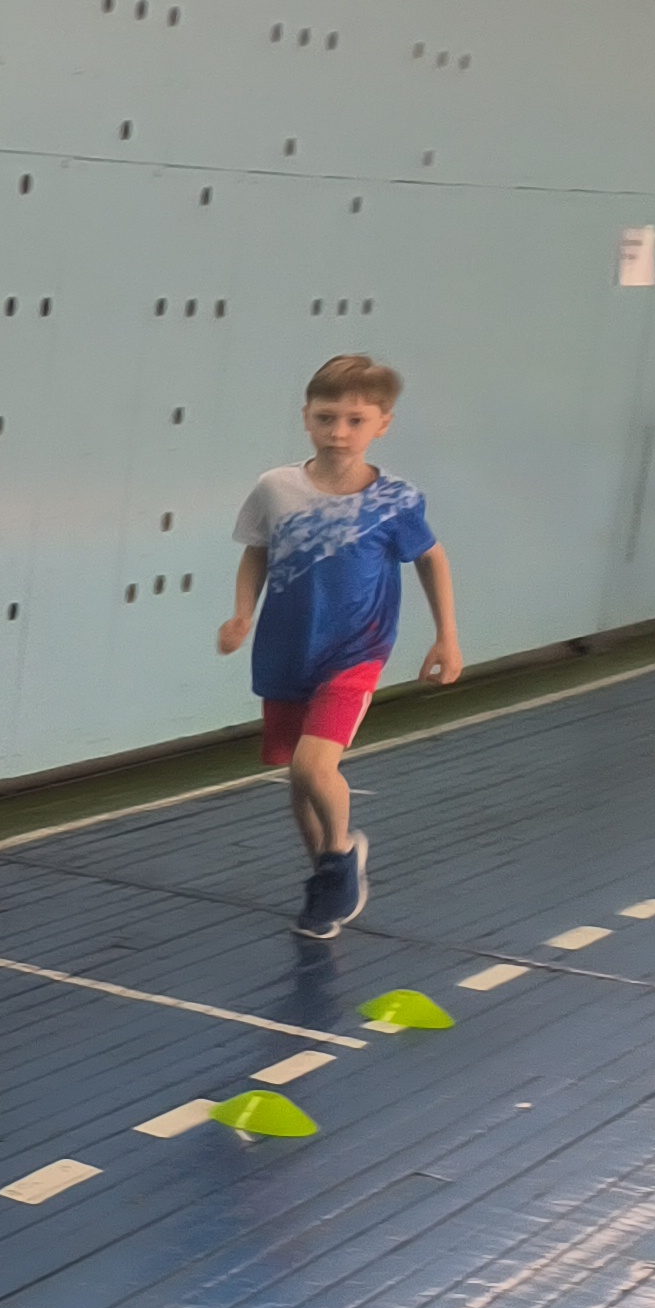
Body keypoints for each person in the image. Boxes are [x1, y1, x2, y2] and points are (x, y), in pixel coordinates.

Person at [215, 353, 459, 936]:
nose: (339, 433)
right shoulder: (276, 488)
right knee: (298, 777)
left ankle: (341, 855)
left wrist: (446, 636)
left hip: (356, 652)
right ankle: (327, 872)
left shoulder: (395, 501)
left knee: (313, 763)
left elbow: (431, 559)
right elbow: (256, 552)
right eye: (326, 418)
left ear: (383, 424)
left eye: (356, 420)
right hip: (286, 652)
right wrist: (243, 612)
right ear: (306, 416)